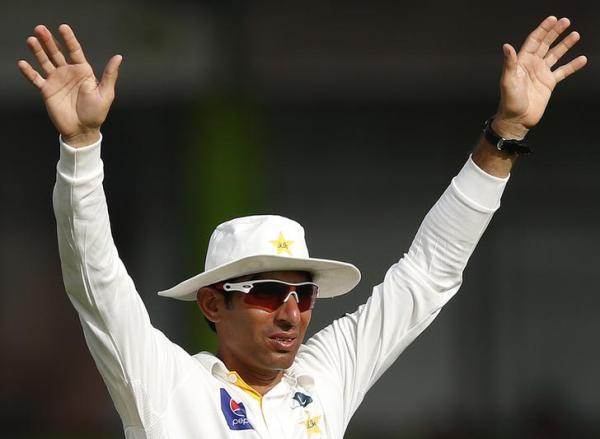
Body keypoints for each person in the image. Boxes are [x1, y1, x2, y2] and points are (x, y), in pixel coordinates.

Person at [18, 16, 586, 438]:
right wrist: (81, 148)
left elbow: (428, 274)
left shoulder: (324, 375)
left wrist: (505, 134)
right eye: (266, 291)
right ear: (213, 304)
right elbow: (94, 278)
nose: (291, 311)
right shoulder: (165, 382)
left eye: (303, 291)